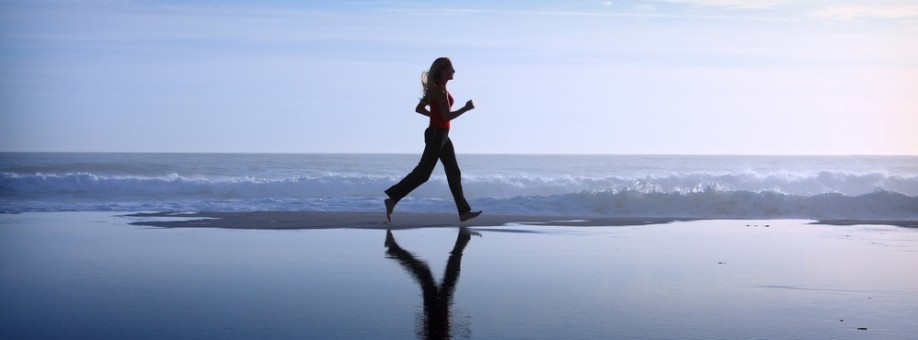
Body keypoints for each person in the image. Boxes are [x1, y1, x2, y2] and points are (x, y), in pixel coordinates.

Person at [385, 57, 482, 223]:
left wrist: (435, 116)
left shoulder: (437, 89)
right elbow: (447, 116)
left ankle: (464, 212)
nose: (454, 71)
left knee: (454, 172)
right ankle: (393, 198)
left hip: (442, 134)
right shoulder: (439, 90)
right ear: (442, 70)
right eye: (451, 68)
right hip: (437, 134)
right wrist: (466, 108)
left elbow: (420, 109)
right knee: (423, 173)